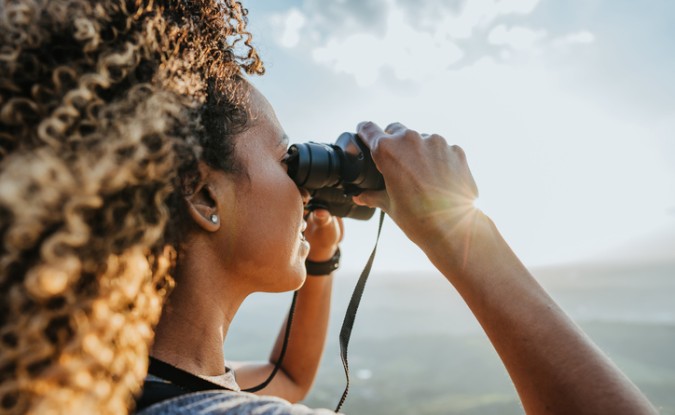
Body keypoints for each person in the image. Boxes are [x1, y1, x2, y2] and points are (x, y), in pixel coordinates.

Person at [0, 1, 658, 415]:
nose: (304, 188)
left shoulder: (93, 380)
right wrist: (458, 233)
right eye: (288, 158)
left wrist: (321, 256)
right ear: (203, 193)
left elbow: (287, 374)